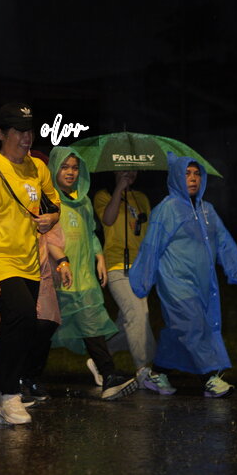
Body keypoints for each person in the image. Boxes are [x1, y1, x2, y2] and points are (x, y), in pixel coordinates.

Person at [0, 102, 60, 424]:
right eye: (18, 131)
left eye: (29, 131)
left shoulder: (37, 168)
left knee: (22, 325)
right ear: (1, 133)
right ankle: (8, 394)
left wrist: (51, 218)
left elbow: (54, 202)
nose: (26, 137)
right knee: (20, 315)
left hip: (28, 260)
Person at [130, 154, 237, 397]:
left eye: (196, 174)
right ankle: (211, 378)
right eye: (187, 174)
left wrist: (235, 269)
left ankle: (157, 372)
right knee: (194, 325)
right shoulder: (167, 209)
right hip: (175, 283)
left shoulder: (207, 210)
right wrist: (142, 280)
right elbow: (151, 246)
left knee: (180, 331)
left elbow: (223, 241)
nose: (193, 179)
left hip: (202, 284)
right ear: (176, 177)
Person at [48, 147, 138, 400]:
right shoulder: (49, 201)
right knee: (43, 330)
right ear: (54, 169)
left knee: (92, 323)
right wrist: (60, 262)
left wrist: (99, 256)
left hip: (83, 277)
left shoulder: (84, 201)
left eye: (75, 168)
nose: (70, 172)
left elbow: (90, 233)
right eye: (65, 167)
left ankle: (109, 375)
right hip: (58, 277)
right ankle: (24, 379)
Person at [93, 171, 170, 394]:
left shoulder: (141, 198)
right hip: (117, 265)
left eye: (134, 168)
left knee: (129, 319)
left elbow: (147, 232)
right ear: (114, 170)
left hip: (140, 267)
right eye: (124, 168)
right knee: (138, 314)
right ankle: (145, 370)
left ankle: (100, 357)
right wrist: (120, 189)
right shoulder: (103, 196)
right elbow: (107, 220)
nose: (130, 172)